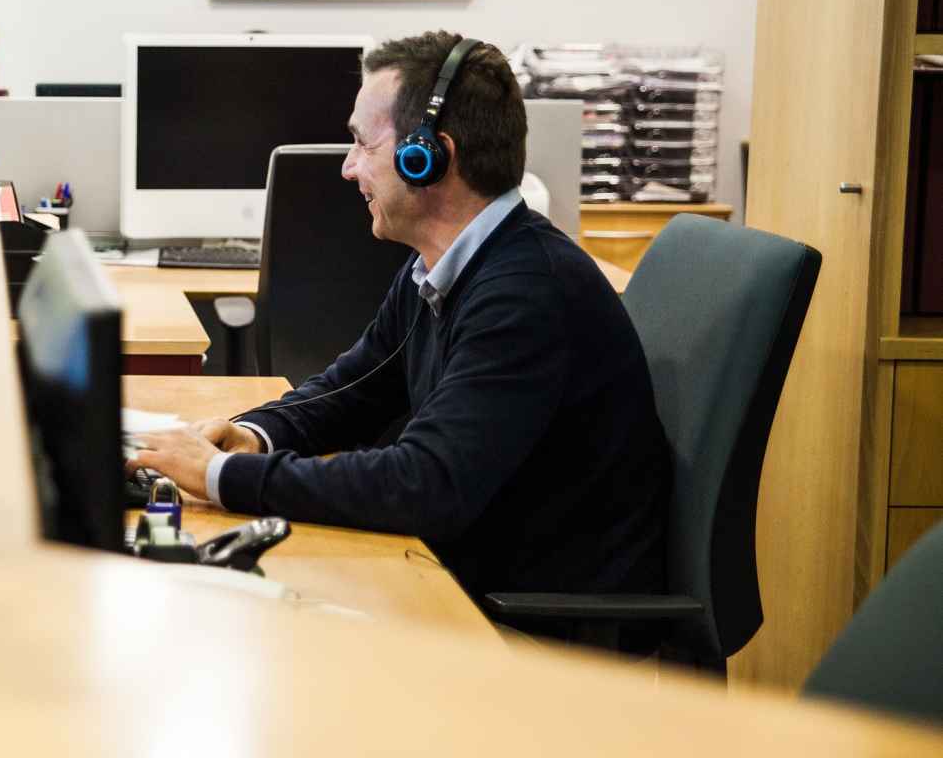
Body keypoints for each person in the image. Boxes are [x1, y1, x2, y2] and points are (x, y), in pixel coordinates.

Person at [130, 32, 671, 640]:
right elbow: (351, 391)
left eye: (362, 143)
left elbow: (426, 484)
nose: (347, 166)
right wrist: (251, 435)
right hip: (467, 568)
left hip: (532, 620)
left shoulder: (525, 293)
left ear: (428, 156)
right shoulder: (444, 267)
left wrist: (222, 480)